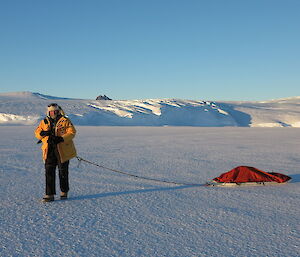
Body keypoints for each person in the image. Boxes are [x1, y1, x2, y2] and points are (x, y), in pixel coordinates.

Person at [35, 103, 77, 202]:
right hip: (49, 150)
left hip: (63, 150)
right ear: (48, 112)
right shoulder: (44, 121)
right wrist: (42, 134)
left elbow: (72, 132)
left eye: (55, 111)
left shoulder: (65, 120)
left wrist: (61, 139)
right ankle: (49, 194)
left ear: (58, 111)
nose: (53, 113)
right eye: (51, 111)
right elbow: (37, 132)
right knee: (49, 172)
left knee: (63, 172)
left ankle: (64, 191)